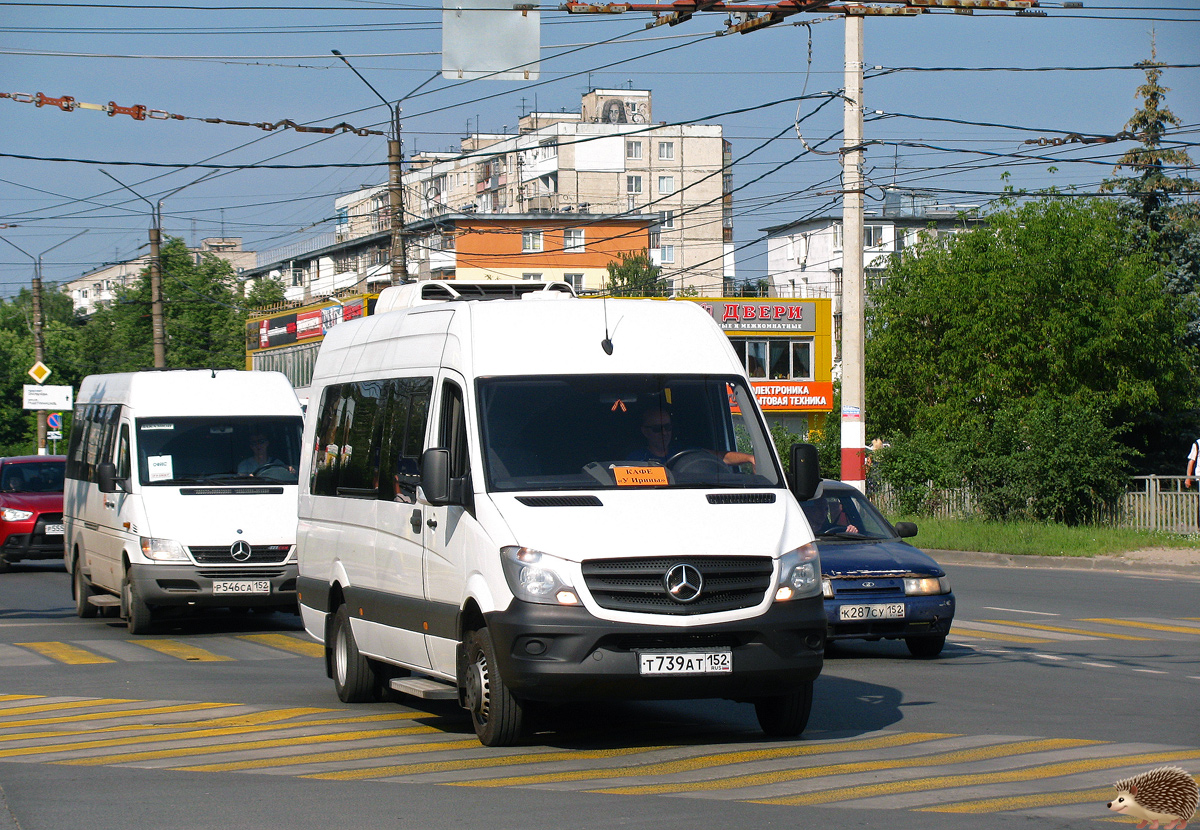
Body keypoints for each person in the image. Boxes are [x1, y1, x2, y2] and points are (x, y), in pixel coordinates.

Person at [628, 408, 754, 468]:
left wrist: (749, 458)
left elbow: (721, 457)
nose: (664, 432)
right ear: (645, 432)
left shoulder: (685, 452)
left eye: (668, 427)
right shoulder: (636, 459)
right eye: (657, 429)